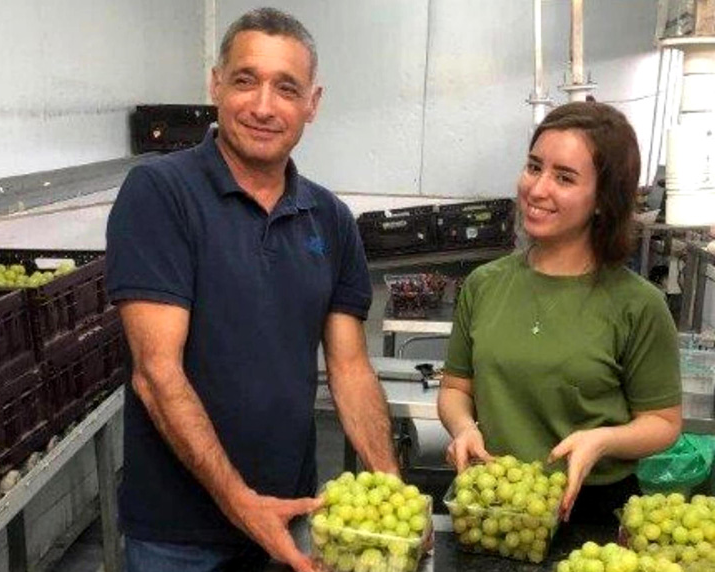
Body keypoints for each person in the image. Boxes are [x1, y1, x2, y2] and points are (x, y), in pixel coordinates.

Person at [105, 7, 399, 572]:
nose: (263, 107)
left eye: (286, 88)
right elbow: (157, 373)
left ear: (312, 103)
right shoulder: (160, 194)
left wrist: (391, 488)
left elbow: (349, 368)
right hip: (178, 538)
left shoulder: (331, 218)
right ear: (216, 85)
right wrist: (243, 506)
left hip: (289, 516)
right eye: (246, 80)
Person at [438, 102, 683, 525]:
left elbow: (663, 421)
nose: (537, 189)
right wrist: (463, 428)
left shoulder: (638, 304)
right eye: (534, 167)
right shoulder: (483, 284)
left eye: (564, 177)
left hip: (594, 513)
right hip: (494, 504)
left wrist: (602, 440)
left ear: (603, 199)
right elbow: (455, 389)